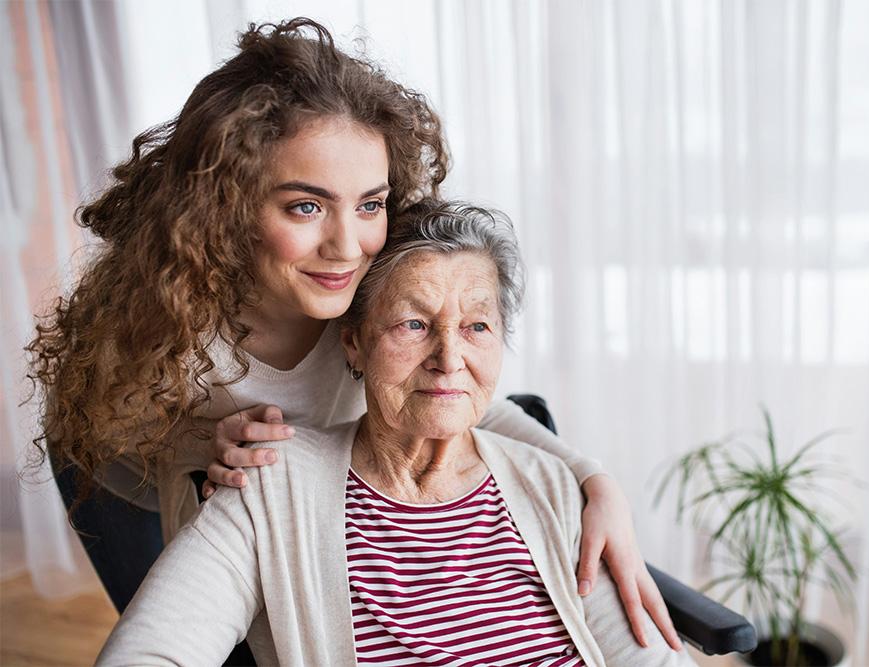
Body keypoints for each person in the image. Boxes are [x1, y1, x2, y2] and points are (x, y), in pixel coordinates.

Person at [27, 16, 677, 653]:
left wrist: (596, 483)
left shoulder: (368, 299)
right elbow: (138, 442)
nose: (346, 247)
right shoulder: (172, 321)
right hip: (124, 455)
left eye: (369, 203)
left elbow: (459, 394)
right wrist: (194, 450)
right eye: (305, 206)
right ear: (226, 203)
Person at [97, 200, 694, 666]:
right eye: (413, 323)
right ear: (353, 342)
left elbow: (646, 653)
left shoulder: (551, 488)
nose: (449, 358)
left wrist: (594, 478)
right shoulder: (270, 489)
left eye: (478, 325)